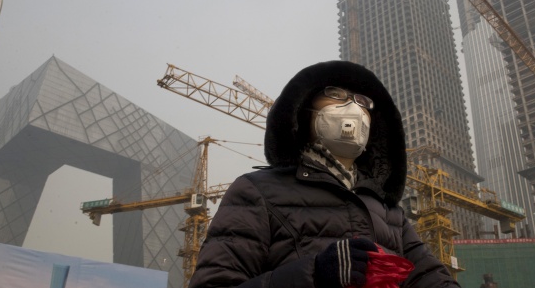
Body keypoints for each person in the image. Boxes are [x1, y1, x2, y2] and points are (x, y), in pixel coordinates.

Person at [188, 60, 460, 288]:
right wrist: (315, 274)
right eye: (336, 94)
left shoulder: (390, 212)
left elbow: (427, 275)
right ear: (304, 112)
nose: (352, 107)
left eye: (362, 101)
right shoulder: (257, 191)